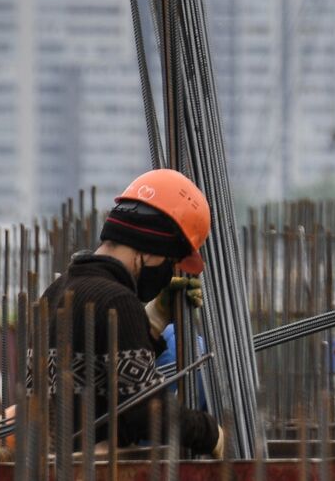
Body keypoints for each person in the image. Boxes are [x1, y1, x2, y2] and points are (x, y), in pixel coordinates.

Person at [26, 168, 224, 457]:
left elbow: (99, 375)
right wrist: (212, 434)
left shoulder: (56, 291)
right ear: (153, 251)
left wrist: (153, 321)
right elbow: (145, 411)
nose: (167, 273)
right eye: (170, 263)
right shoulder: (118, 301)